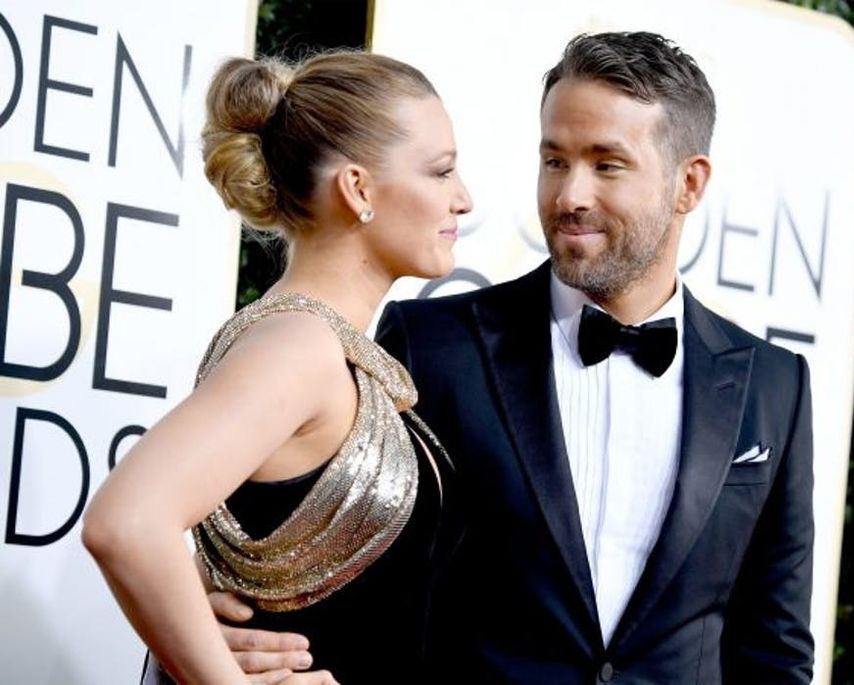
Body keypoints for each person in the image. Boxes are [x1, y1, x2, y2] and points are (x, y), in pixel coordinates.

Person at [213, 31, 816, 684]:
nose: (569, 195)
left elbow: (775, 651)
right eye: (555, 160)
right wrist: (218, 627)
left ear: (688, 182)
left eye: (606, 164)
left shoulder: (773, 386)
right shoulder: (433, 347)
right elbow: (322, 549)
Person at [82, 49, 472, 685]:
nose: (463, 199)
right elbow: (126, 522)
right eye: (441, 172)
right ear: (358, 189)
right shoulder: (300, 346)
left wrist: (203, 627)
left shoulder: (314, 342)